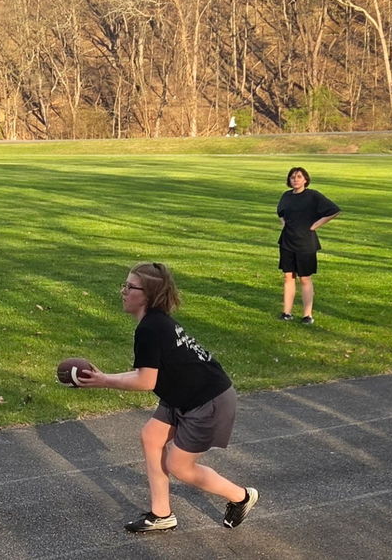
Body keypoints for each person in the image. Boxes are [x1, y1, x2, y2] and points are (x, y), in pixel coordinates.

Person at [76, 263, 258, 532]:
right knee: (152, 436)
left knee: (180, 467)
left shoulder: (151, 328)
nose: (123, 292)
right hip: (183, 394)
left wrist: (104, 381)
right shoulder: (154, 323)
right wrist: (106, 378)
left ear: (147, 294)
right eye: (124, 285)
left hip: (208, 400)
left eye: (130, 287)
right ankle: (162, 514)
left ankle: (241, 496)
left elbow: (145, 381)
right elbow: (147, 372)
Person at [277, 167, 340, 324]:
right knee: (288, 277)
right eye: (292, 177)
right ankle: (286, 312)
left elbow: (333, 210)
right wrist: (285, 224)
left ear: (305, 179)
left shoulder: (313, 196)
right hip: (287, 241)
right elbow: (280, 213)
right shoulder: (286, 196)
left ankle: (307, 315)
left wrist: (314, 226)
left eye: (299, 177)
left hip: (305, 243)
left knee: (304, 278)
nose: (295, 180)